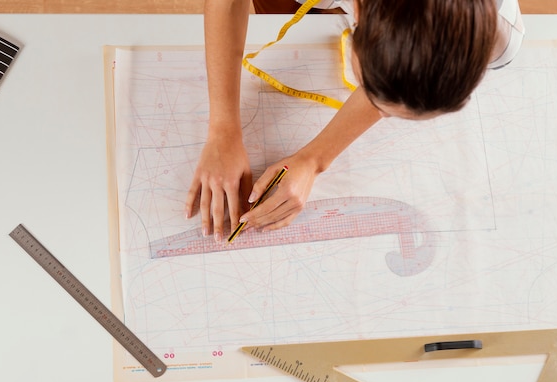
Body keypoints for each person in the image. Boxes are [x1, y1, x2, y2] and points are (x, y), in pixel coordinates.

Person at [185, 0, 525, 242]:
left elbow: (398, 85)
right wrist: (222, 130)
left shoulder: (496, 36)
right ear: (359, 14)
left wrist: (315, 159)